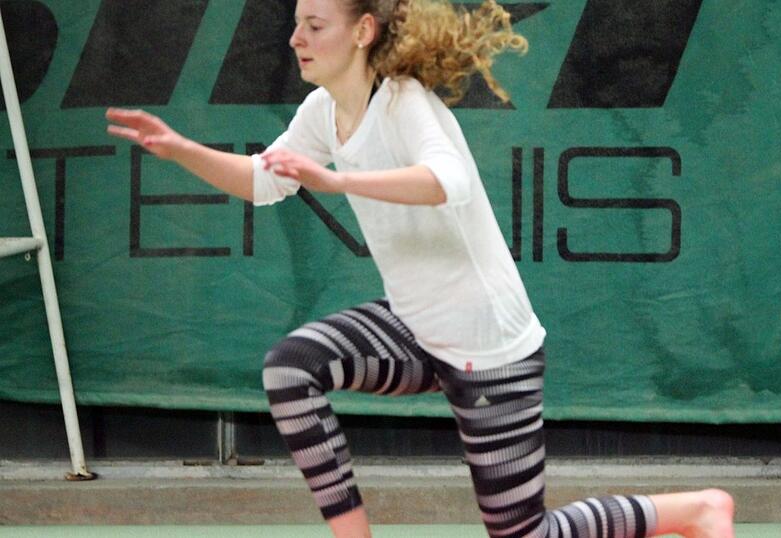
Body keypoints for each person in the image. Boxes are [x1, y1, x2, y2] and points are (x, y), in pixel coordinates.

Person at [106, 1, 735, 536]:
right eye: (297, 23)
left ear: (363, 31)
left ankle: (694, 508)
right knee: (291, 369)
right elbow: (259, 180)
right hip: (413, 329)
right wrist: (181, 148)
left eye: (315, 25)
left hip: (490, 347)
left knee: (524, 532)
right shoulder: (323, 111)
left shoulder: (406, 102)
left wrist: (336, 177)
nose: (296, 38)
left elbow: (447, 181)